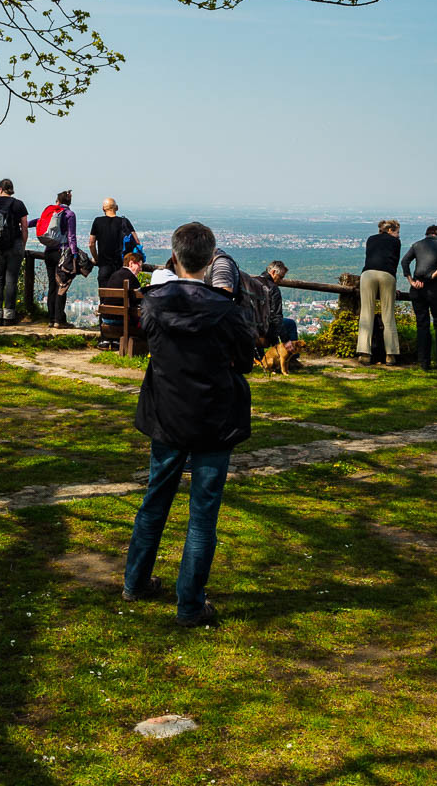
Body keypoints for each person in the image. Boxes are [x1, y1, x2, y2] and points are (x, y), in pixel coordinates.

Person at [122, 222, 253, 627]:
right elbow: (245, 359)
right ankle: (190, 604)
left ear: (175, 257)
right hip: (214, 416)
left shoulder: (153, 304)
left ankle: (136, 581)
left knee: (154, 500)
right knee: (202, 515)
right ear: (211, 259)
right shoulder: (225, 311)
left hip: (166, 413)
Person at [403, 225, 437, 370]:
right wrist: (433, 275)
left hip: (417, 288)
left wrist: (411, 281)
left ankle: (424, 362)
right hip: (435, 288)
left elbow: (405, 262)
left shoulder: (417, 245)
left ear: (427, 234)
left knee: (422, 324)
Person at [0, 178, 28, 325]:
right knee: (11, 282)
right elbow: (24, 227)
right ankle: (9, 316)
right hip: (15, 245)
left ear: (0, 189)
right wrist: (22, 244)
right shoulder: (18, 204)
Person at [357, 219, 402, 365]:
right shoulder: (396, 242)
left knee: (366, 314)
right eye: (397, 232)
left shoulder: (371, 239)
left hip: (368, 274)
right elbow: (394, 262)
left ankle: (364, 353)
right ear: (390, 230)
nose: (398, 235)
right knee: (388, 315)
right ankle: (391, 354)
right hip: (387, 275)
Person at [34, 190, 80, 328]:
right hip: (62, 253)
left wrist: (22, 224)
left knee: (52, 286)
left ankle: (51, 318)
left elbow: (38, 222)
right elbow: (71, 236)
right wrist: (75, 253)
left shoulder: (53, 213)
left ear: (58, 201)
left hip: (49, 253)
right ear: (69, 201)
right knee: (62, 285)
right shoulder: (70, 215)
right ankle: (59, 320)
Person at [98, 250, 145, 349]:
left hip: (106, 319)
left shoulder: (115, 275)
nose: (140, 270)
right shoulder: (131, 278)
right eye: (139, 266)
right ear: (131, 263)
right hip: (120, 322)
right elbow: (138, 302)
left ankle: (114, 341)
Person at [89, 197, 138, 288]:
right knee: (121, 297)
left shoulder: (97, 221)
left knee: (104, 298)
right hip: (121, 266)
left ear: (103, 208)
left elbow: (91, 244)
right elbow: (136, 242)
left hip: (104, 265)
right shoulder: (124, 222)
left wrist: (97, 259)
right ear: (117, 208)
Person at [259, 261, 299, 346]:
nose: (280, 281)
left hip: (247, 324)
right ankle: (292, 356)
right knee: (290, 324)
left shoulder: (252, 282)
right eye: (280, 277)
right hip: (265, 326)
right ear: (273, 272)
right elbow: (276, 316)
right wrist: (286, 340)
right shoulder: (273, 288)